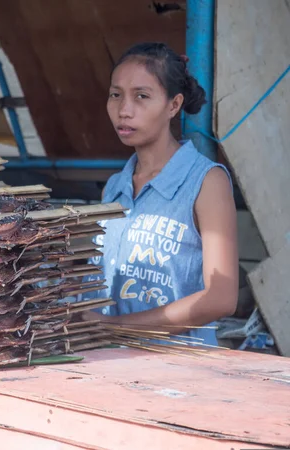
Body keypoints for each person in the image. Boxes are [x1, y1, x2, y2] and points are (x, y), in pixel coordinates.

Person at [80, 42, 238, 346]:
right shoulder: (115, 187)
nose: (124, 110)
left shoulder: (205, 182)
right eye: (116, 95)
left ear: (173, 105)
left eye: (142, 96)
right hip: (108, 366)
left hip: (177, 376)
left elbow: (220, 298)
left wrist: (114, 326)